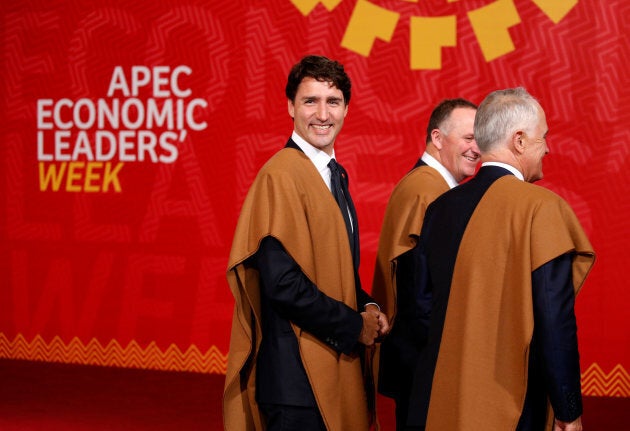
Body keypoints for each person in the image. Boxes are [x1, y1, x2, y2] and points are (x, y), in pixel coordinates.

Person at [406, 87, 595, 431]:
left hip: (438, 400)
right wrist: (568, 410)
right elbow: (554, 322)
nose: (548, 147)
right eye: (544, 137)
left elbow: (420, 307)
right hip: (513, 404)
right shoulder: (542, 209)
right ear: (520, 141)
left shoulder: (439, 209)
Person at [223, 55, 390, 431]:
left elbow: (331, 272)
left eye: (332, 102)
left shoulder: (335, 175)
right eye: (310, 101)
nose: (322, 114)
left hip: (330, 369)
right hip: (295, 383)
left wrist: (368, 305)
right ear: (290, 107)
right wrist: (352, 325)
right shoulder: (280, 175)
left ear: (346, 108)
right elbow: (283, 284)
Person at [372, 98, 480, 429]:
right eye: (468, 138)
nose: (477, 149)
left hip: (415, 362)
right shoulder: (429, 192)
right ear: (437, 138)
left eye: (480, 140)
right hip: (425, 363)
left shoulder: (425, 185)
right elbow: (419, 296)